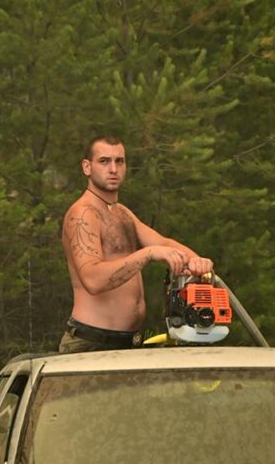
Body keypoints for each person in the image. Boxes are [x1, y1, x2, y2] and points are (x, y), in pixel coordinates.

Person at [60, 135, 214, 353]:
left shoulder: (121, 213)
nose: (113, 169)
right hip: (91, 343)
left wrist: (198, 262)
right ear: (87, 167)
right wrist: (149, 254)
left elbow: (163, 243)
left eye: (119, 161)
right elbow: (93, 279)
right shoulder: (83, 214)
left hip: (130, 342)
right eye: (104, 161)